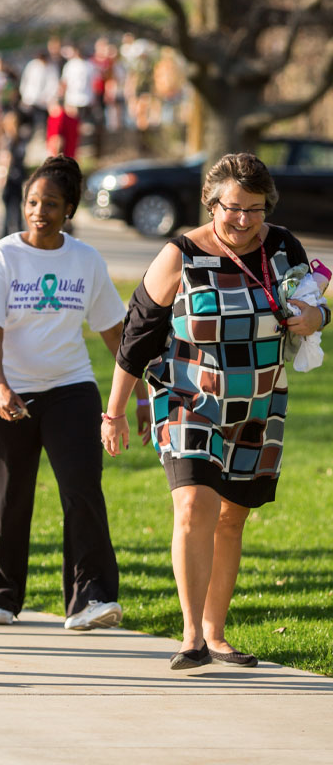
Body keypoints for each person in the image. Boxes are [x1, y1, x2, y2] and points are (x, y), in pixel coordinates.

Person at [102, 152, 327, 670]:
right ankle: (189, 637)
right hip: (188, 400)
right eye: (232, 208)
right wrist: (114, 411)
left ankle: (215, 632)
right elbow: (136, 338)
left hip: (258, 405)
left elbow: (315, 301)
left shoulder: (282, 246)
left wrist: (315, 316)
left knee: (231, 519)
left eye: (254, 209)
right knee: (194, 507)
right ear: (211, 203)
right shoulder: (180, 255)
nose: (244, 220)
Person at [0, 155, 150, 630]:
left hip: (69, 387)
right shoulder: (3, 255)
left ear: (69, 209)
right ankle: (2, 598)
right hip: (2, 391)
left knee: (82, 488)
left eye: (50, 203)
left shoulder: (84, 259)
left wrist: (143, 394)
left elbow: (115, 334)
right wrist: (2, 385)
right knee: (12, 493)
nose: (39, 211)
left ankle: (92, 598)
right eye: (32, 201)